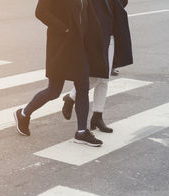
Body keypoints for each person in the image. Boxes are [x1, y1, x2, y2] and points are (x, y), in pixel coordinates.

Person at [14, 0, 107, 146]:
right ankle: (23, 114)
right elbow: (41, 12)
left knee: (83, 87)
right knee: (54, 90)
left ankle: (81, 132)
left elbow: (87, 14)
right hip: (61, 47)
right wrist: (64, 29)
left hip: (79, 46)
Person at [61, 0, 133, 133]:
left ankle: (97, 116)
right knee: (96, 77)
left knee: (104, 79)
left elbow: (122, 3)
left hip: (112, 35)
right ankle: (72, 97)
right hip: (96, 37)